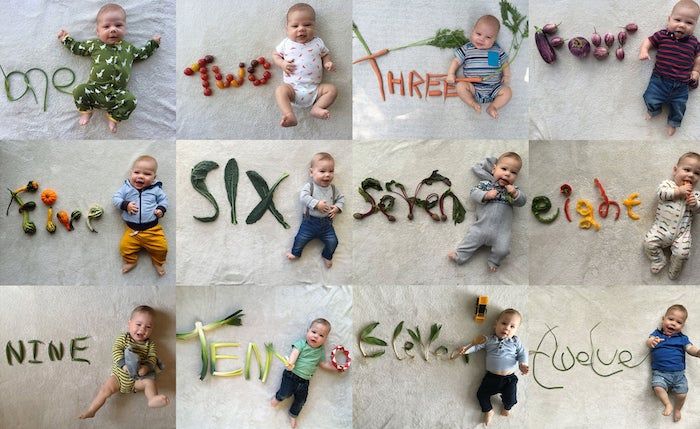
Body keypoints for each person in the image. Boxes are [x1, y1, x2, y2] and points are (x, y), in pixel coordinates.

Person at [57, 3, 160, 133]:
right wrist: (66, 39)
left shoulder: (129, 48)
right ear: (98, 31)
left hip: (116, 95)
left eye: (118, 25)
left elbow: (142, 54)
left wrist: (153, 44)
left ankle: (114, 117)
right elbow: (78, 48)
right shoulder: (95, 45)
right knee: (79, 90)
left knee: (131, 101)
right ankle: (86, 111)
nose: (113, 29)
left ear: (125, 28)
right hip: (94, 90)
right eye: (106, 26)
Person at [79, 305, 169, 419]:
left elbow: (152, 358)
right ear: (129, 323)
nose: (142, 330)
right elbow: (116, 350)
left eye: (148, 327)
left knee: (150, 382)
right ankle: (92, 410)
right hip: (119, 376)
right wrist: (124, 365)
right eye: (138, 324)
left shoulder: (150, 344)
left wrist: (146, 368)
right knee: (105, 389)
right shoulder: (124, 338)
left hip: (137, 380)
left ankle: (152, 399)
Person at [448, 152, 526, 271]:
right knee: (471, 239)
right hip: (481, 227)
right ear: (494, 169)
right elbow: (473, 193)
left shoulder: (513, 190)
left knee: (503, 250)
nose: (507, 174)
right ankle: (460, 255)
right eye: (504, 169)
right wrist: (485, 195)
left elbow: (522, 202)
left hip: (502, 232)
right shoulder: (486, 184)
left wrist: (515, 193)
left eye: (513, 172)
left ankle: (494, 261)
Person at [639, 0, 700, 136]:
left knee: (679, 107)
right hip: (659, 80)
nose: (682, 25)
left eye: (689, 23)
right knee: (650, 97)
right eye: (677, 20)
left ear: (695, 25)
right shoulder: (663, 35)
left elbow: (698, 57)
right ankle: (654, 110)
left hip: (682, 85)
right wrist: (644, 50)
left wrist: (696, 71)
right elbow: (648, 41)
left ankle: (673, 122)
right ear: (669, 19)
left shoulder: (694, 42)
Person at [459, 308, 528, 426]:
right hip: (491, 377)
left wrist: (523, 364)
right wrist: (466, 350)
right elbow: (476, 346)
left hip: (509, 379)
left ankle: (507, 408)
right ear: (495, 324)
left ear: (516, 330)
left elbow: (522, 353)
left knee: (511, 400)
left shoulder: (515, 341)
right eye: (504, 323)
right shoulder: (488, 339)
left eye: (512, 327)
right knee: (481, 395)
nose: (507, 328)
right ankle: (488, 410)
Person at [273, 3, 337, 127]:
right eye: (295, 26)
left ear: (315, 26)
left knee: (332, 89)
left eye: (307, 25)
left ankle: (317, 108)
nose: (301, 29)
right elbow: (275, 55)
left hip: (315, 89)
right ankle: (289, 114)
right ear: (287, 29)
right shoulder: (286, 44)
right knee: (280, 90)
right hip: (292, 88)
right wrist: (282, 63)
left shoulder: (318, 42)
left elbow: (325, 54)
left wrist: (328, 63)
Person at [271, 318, 342, 428]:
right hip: (291, 375)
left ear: (325, 339)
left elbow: (323, 364)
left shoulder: (320, 351)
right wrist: (290, 362)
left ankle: (293, 415)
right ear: (307, 331)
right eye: (314, 332)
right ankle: (278, 397)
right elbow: (295, 352)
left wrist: (336, 368)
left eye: (321, 335)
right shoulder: (301, 343)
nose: (316, 336)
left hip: (304, 382)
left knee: (301, 400)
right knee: (285, 393)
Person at [643, 152, 700, 279]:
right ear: (675, 170)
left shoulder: (696, 195)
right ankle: (658, 259)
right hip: (661, 228)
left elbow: (698, 210)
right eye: (686, 170)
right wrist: (678, 191)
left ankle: (676, 266)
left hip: (682, 234)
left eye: (697, 173)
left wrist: (694, 204)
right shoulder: (668, 185)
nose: (691, 175)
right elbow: (661, 194)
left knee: (682, 253)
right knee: (648, 243)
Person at [446, 14, 511, 119]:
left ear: (494, 39)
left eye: (488, 37)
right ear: (473, 31)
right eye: (478, 34)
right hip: (473, 87)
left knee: (507, 92)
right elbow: (456, 61)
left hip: (494, 88)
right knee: (460, 86)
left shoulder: (495, 51)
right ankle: (472, 103)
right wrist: (451, 73)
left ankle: (493, 106)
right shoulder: (467, 48)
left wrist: (506, 75)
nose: (481, 39)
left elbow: (504, 63)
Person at [112, 155, 169, 275]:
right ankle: (131, 261)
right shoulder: (126, 188)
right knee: (124, 248)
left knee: (162, 248)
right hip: (132, 231)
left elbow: (164, 200)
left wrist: (161, 209)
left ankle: (158, 262)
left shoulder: (156, 190)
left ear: (154, 177)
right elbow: (115, 198)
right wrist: (125, 205)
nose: (141, 176)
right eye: (137, 172)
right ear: (131, 173)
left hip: (153, 230)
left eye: (147, 174)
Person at [287, 152, 344, 268]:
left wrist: (337, 207)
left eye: (331, 171)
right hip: (309, 223)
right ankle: (295, 253)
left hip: (327, 224)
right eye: (322, 171)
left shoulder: (333, 188)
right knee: (300, 239)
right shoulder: (310, 186)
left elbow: (341, 198)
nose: (327, 175)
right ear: (312, 173)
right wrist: (316, 204)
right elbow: (303, 197)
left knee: (333, 241)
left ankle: (327, 255)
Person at [647, 304, 700, 422]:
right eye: (670, 319)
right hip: (660, 373)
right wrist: (651, 342)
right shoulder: (657, 334)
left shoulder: (682, 339)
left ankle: (677, 409)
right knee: (657, 387)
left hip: (679, 375)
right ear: (663, 319)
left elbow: (690, 348)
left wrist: (697, 352)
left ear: (682, 326)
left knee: (682, 395)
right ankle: (667, 404)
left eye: (679, 322)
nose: (673, 323)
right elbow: (648, 341)